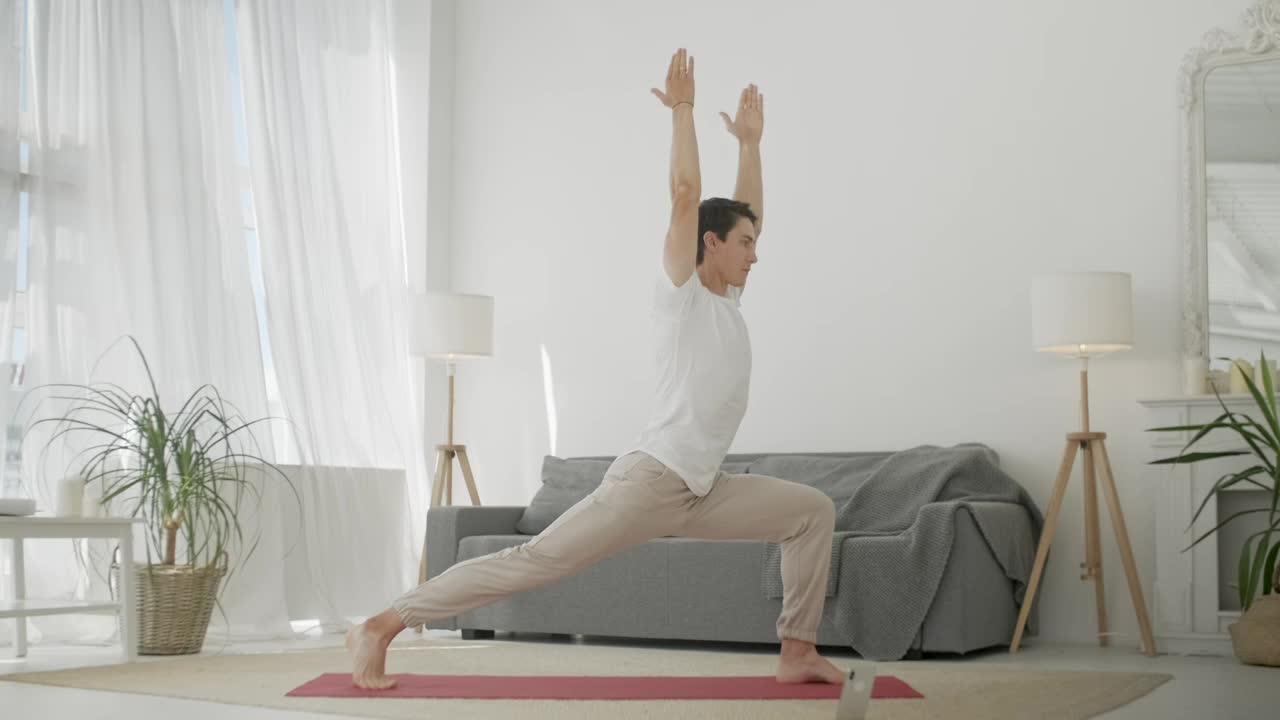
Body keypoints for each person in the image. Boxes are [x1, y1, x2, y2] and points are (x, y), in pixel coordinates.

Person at [346, 48, 843, 690]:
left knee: (811, 512)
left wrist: (751, 145)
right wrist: (684, 111)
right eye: (744, 243)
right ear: (709, 245)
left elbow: (747, 212)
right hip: (649, 483)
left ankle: (796, 651)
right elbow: (688, 194)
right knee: (532, 562)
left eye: (756, 243)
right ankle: (381, 625)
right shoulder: (682, 296)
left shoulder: (727, 301)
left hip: (704, 489)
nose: (755, 254)